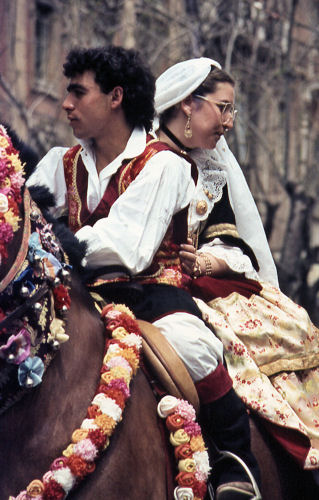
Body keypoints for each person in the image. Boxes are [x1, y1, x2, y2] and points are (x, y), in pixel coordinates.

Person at [27, 46, 261, 499]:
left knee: (197, 348)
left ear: (116, 97)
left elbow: (126, 248)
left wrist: (54, 246)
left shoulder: (166, 165)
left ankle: (236, 463)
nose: (65, 104)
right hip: (77, 296)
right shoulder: (61, 163)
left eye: (78, 93)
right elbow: (27, 229)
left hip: (151, 297)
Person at [154, 57, 319, 481]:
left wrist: (207, 258)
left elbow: (231, 240)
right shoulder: (143, 160)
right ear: (189, 104)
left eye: (233, 111)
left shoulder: (211, 172)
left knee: (289, 325)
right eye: (223, 108)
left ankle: (245, 458)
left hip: (198, 279)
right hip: (148, 284)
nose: (229, 122)